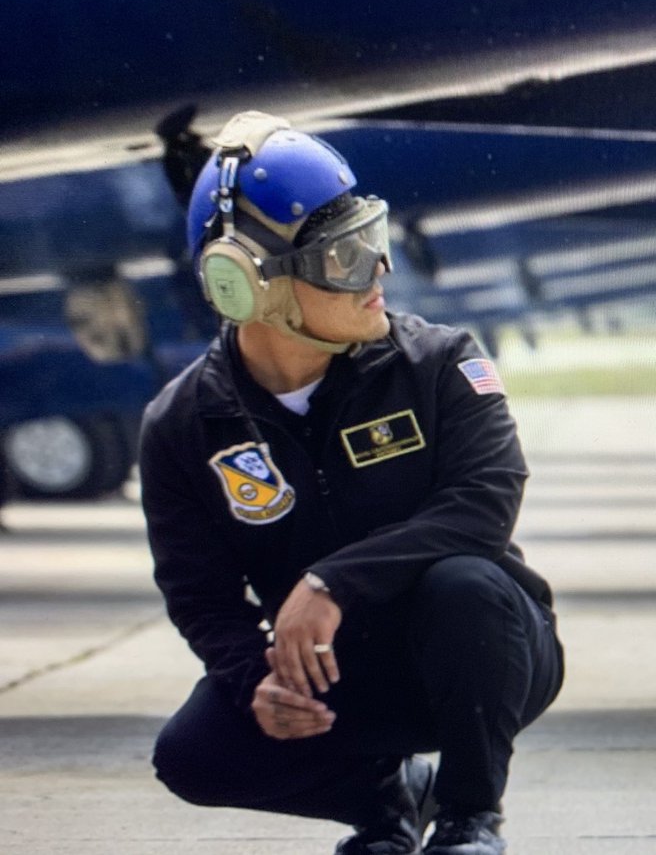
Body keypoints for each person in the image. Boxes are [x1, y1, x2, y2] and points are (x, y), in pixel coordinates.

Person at [140, 111, 564, 855]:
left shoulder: (438, 364)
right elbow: (199, 594)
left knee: (465, 583)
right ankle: (386, 803)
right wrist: (253, 686)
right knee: (191, 757)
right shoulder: (184, 424)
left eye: (374, 241)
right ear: (248, 288)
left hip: (479, 654)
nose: (379, 275)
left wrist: (333, 582)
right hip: (338, 678)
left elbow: (484, 505)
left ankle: (469, 815)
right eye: (346, 258)